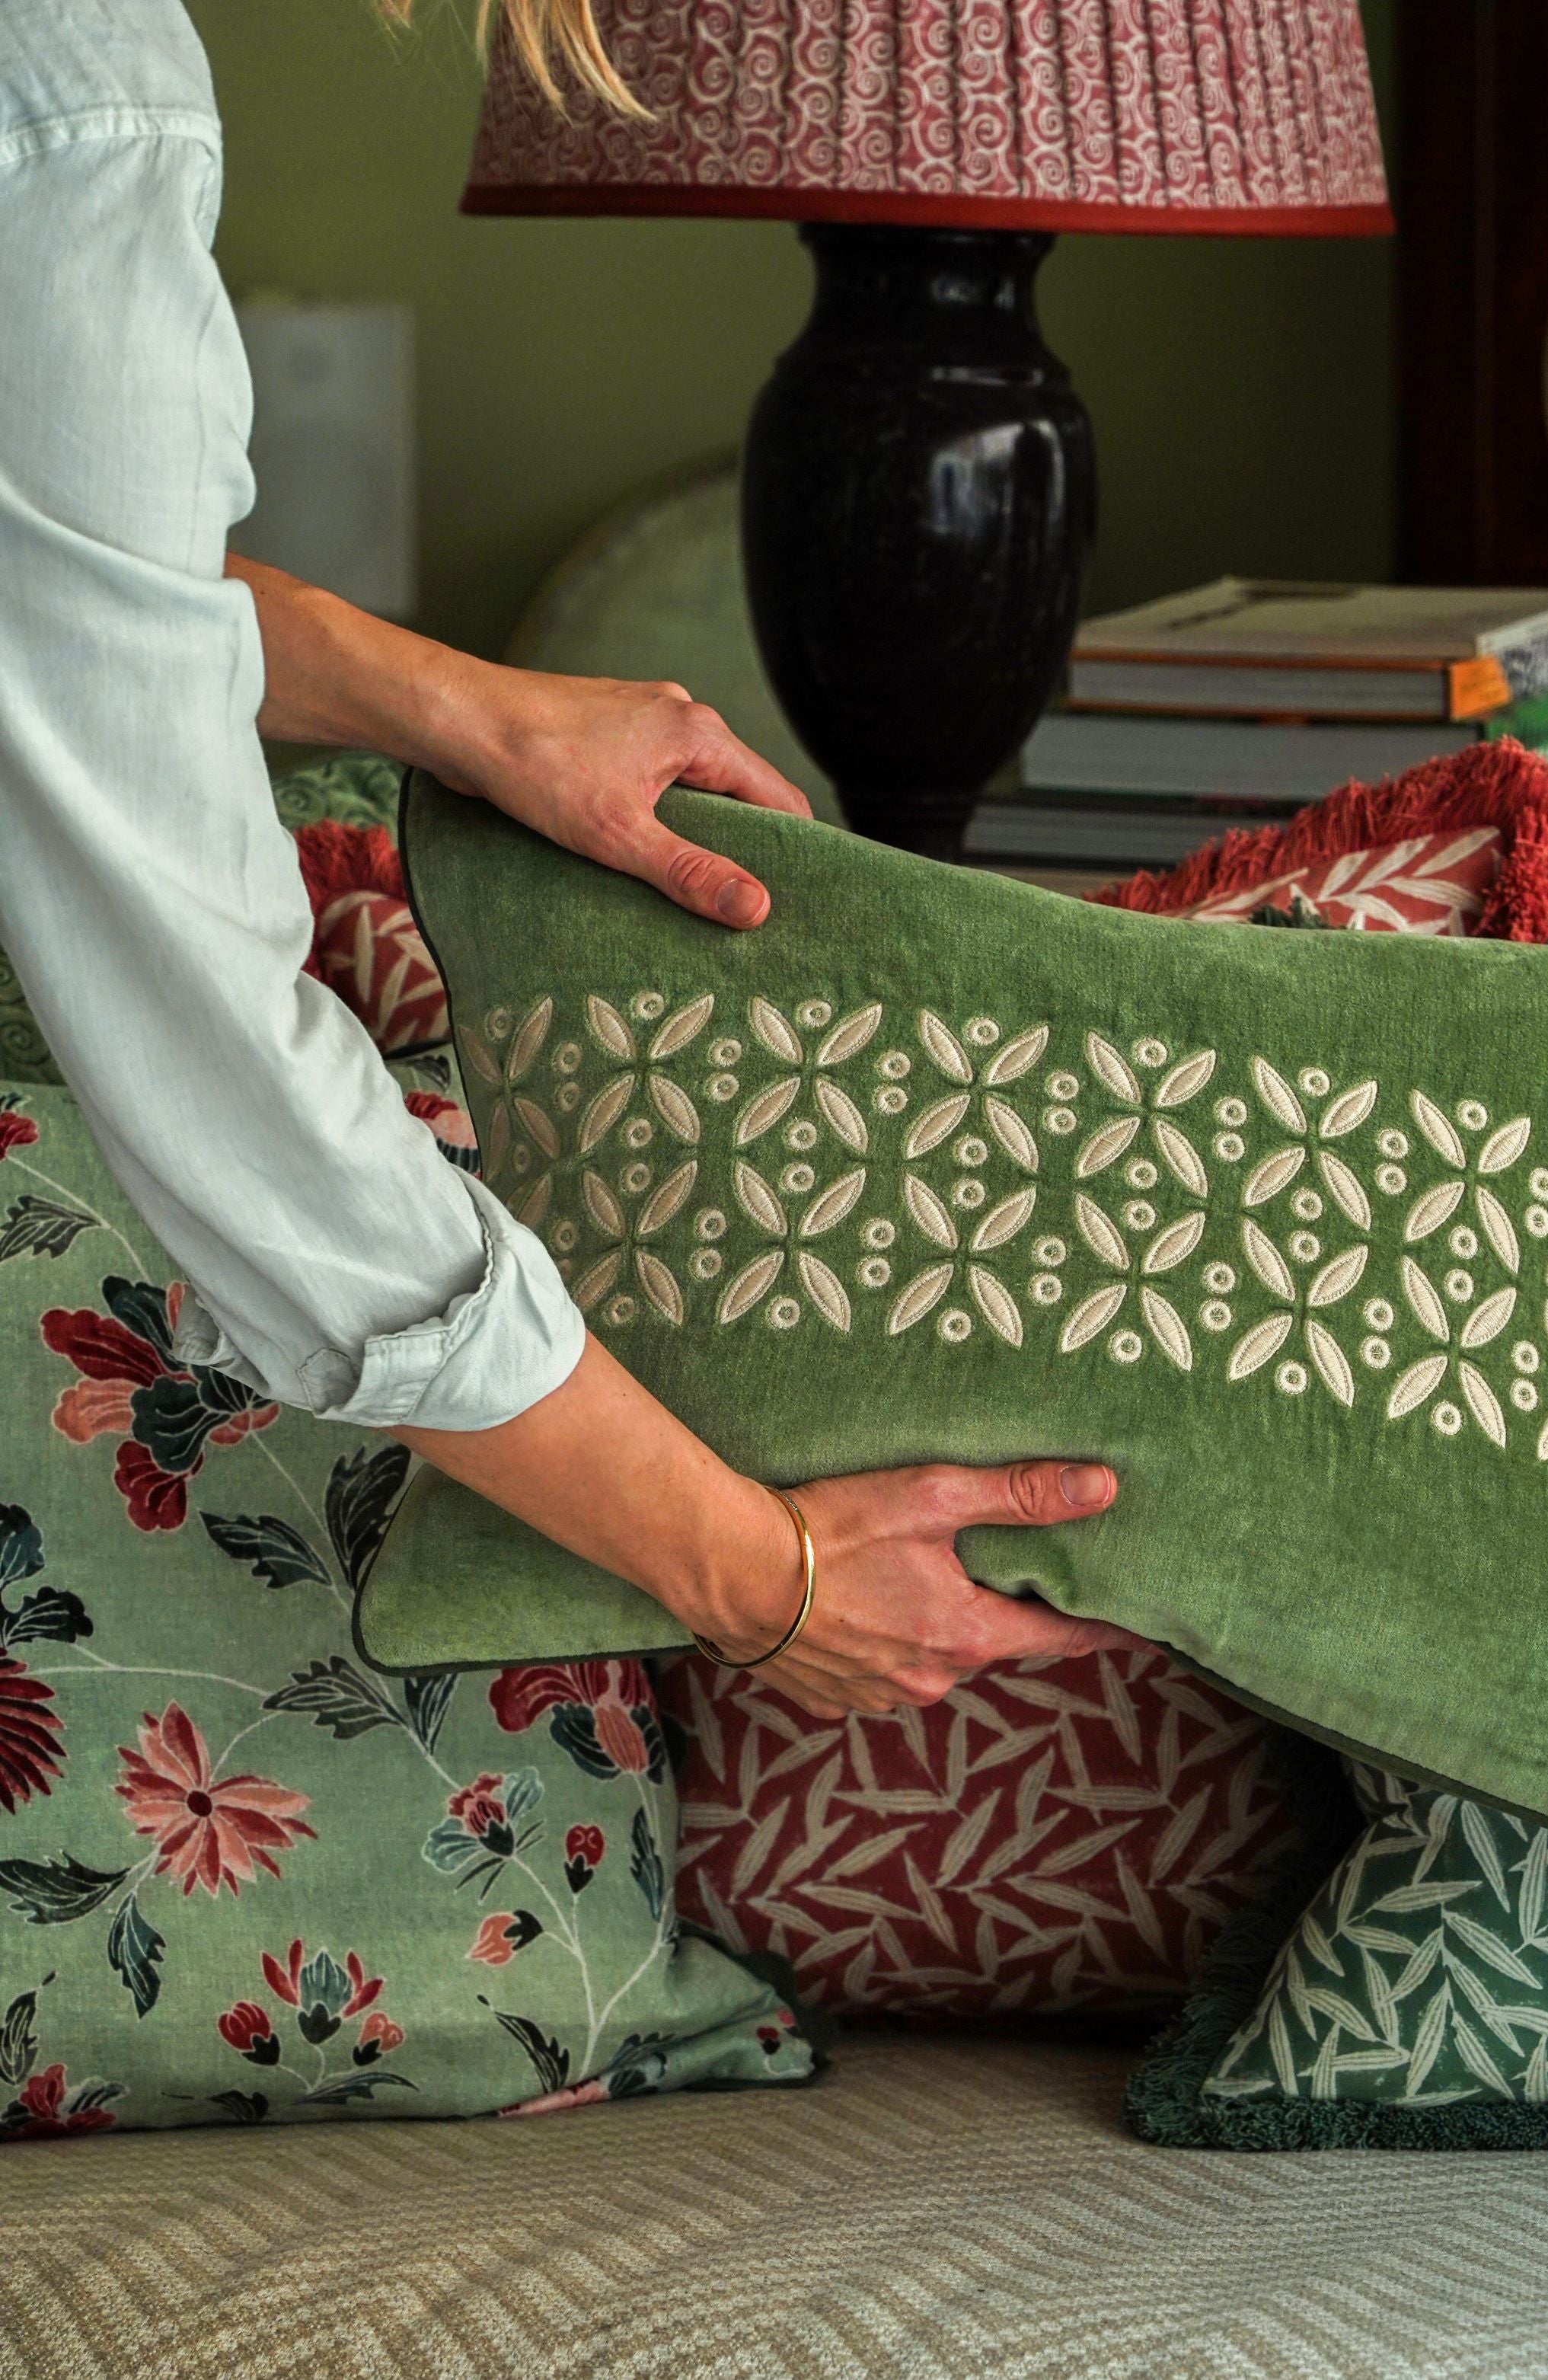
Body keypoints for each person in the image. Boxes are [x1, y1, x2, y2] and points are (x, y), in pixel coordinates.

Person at [0, 0, 1131, 1720]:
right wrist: (759, 1575)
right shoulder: (69, 94)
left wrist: (462, 711)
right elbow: (211, 1051)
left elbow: (60, 597)